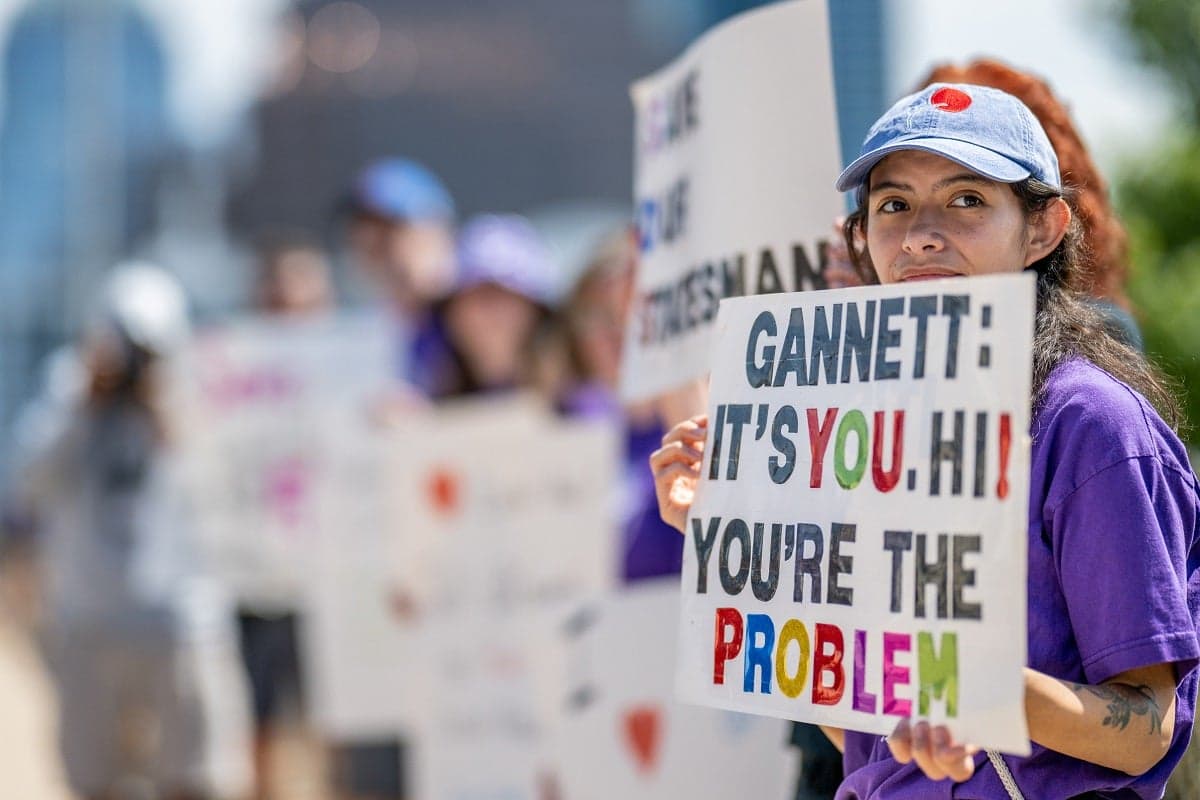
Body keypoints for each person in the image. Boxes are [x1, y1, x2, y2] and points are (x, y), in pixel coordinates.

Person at [651, 83, 1200, 798]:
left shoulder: (1091, 425)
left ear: (1044, 227)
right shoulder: (856, 434)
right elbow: (859, 735)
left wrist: (977, 691)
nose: (919, 235)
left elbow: (1147, 728)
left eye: (966, 199)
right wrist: (733, 537)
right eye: (893, 205)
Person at [16, 263, 253, 800]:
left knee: (196, 779)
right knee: (96, 781)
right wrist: (84, 406)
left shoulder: (197, 387)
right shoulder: (67, 387)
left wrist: (174, 418)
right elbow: (27, 484)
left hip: (183, 621)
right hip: (88, 620)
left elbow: (235, 489)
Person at [558, 227, 684, 581]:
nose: (614, 334)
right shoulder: (567, 427)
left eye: (627, 315)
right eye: (596, 317)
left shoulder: (694, 424)